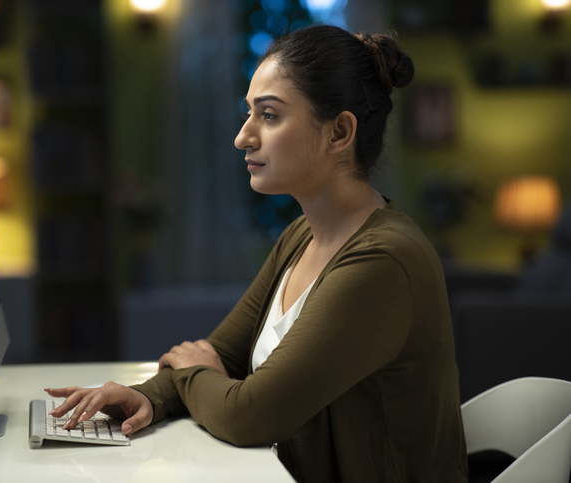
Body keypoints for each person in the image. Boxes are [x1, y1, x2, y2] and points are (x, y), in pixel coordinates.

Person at [45, 25, 468, 482]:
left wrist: (193, 376)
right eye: (249, 113)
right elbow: (219, 354)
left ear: (340, 131)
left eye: (268, 116)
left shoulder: (383, 262)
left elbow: (249, 416)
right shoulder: (301, 235)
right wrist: (149, 396)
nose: (243, 137)